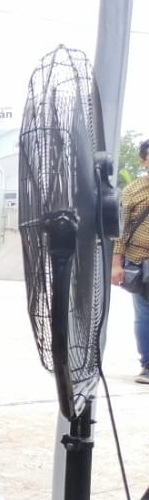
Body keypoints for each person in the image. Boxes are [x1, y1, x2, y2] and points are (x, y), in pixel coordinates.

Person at [111, 139, 149, 384]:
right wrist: (116, 264)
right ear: (143, 160)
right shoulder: (132, 191)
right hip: (141, 261)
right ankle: (147, 366)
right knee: (144, 315)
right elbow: (121, 231)